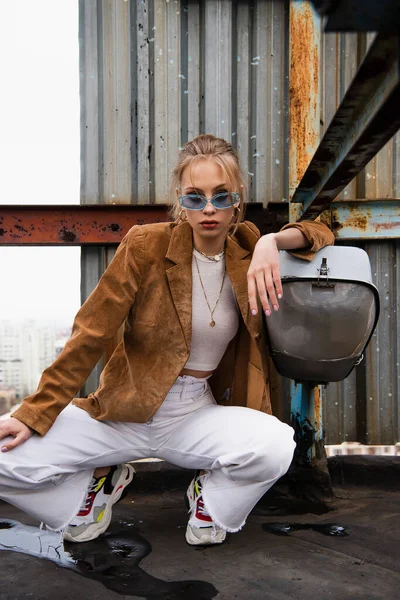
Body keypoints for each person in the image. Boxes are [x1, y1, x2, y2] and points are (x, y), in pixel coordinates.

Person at [0, 134, 334, 546]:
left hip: (194, 413)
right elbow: (91, 332)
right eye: (194, 198)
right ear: (180, 199)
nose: (209, 209)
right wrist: (34, 412)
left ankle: (207, 500)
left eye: (220, 196)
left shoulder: (249, 247)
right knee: (3, 454)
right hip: (122, 411)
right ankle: (89, 495)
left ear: (237, 198)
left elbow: (322, 231)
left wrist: (272, 241)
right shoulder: (146, 245)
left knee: (276, 445)